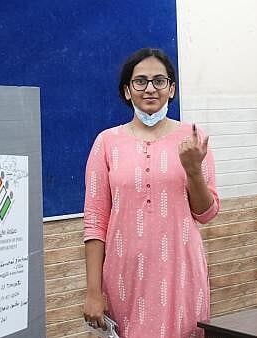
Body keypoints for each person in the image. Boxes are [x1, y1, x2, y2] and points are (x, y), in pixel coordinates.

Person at [82, 47, 220, 338]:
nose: (150, 89)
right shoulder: (107, 142)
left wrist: (193, 169)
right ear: (127, 91)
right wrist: (93, 291)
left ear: (171, 89)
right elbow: (95, 222)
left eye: (159, 81)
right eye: (140, 81)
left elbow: (206, 214)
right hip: (124, 278)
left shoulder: (193, 139)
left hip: (181, 274)